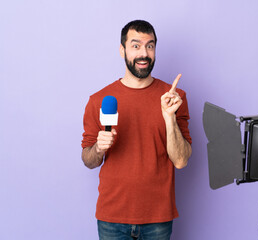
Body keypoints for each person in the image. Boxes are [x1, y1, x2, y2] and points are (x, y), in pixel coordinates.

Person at [81, 20, 192, 240]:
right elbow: (88, 160)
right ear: (122, 50)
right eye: (136, 46)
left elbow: (180, 161)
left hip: (158, 217)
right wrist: (99, 148)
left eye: (150, 46)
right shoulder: (98, 100)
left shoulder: (174, 98)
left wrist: (169, 118)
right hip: (112, 217)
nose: (144, 53)